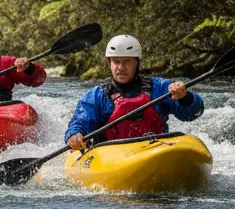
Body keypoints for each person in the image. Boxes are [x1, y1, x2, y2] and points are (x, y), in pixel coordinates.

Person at [65, 34, 204, 150]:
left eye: (127, 61)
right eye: (116, 62)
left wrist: (184, 97)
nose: (121, 67)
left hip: (155, 149)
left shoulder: (160, 87)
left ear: (137, 63)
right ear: (109, 63)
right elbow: (80, 121)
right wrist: (74, 135)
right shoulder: (97, 96)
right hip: (111, 155)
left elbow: (193, 113)